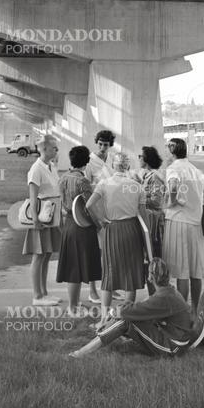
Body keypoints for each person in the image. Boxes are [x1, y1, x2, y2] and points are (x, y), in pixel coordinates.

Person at [69, 258, 204, 358]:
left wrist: (113, 311)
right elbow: (140, 307)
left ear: (151, 278)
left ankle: (82, 352)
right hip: (176, 338)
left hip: (173, 346)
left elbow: (129, 312)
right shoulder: (169, 291)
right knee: (127, 317)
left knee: (126, 321)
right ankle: (101, 336)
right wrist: (119, 311)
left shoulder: (163, 298)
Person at [85, 151, 147, 330]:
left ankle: (104, 319)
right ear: (127, 166)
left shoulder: (104, 184)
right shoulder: (136, 186)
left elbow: (88, 205)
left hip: (111, 229)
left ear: (113, 165)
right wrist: (147, 241)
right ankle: (127, 319)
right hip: (132, 229)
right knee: (131, 274)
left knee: (109, 274)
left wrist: (101, 220)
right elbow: (144, 219)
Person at [56, 145, 102, 317]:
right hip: (81, 226)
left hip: (68, 223)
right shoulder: (83, 182)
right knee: (76, 268)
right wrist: (99, 225)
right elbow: (90, 208)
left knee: (72, 266)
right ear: (86, 162)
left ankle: (74, 303)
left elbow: (61, 203)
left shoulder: (63, 178)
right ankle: (73, 307)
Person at [162, 138, 204, 312]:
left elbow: (172, 187)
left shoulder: (173, 168)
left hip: (179, 220)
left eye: (167, 148)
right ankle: (195, 310)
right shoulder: (194, 169)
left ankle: (183, 312)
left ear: (172, 151)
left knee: (181, 271)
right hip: (195, 222)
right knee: (195, 270)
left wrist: (171, 202)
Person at [22, 134, 62, 306]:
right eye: (54, 147)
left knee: (46, 254)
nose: (57, 150)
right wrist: (36, 221)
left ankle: (44, 293)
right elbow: (33, 196)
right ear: (44, 149)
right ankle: (37, 296)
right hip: (41, 216)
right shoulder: (36, 169)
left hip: (52, 215)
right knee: (38, 256)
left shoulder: (51, 166)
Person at [85, 129, 115, 303]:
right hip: (96, 210)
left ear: (110, 145)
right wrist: (93, 216)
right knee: (95, 251)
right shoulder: (90, 162)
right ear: (97, 143)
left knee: (109, 251)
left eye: (106, 144)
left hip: (111, 210)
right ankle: (92, 290)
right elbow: (87, 190)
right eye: (100, 144)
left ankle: (110, 286)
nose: (103, 147)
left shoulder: (112, 159)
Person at [137, 146, 166, 293]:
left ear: (146, 159)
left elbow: (157, 201)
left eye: (140, 156)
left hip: (154, 224)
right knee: (149, 258)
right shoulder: (147, 176)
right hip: (149, 222)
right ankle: (153, 294)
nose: (139, 159)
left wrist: (139, 197)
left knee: (153, 258)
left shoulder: (155, 177)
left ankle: (156, 294)